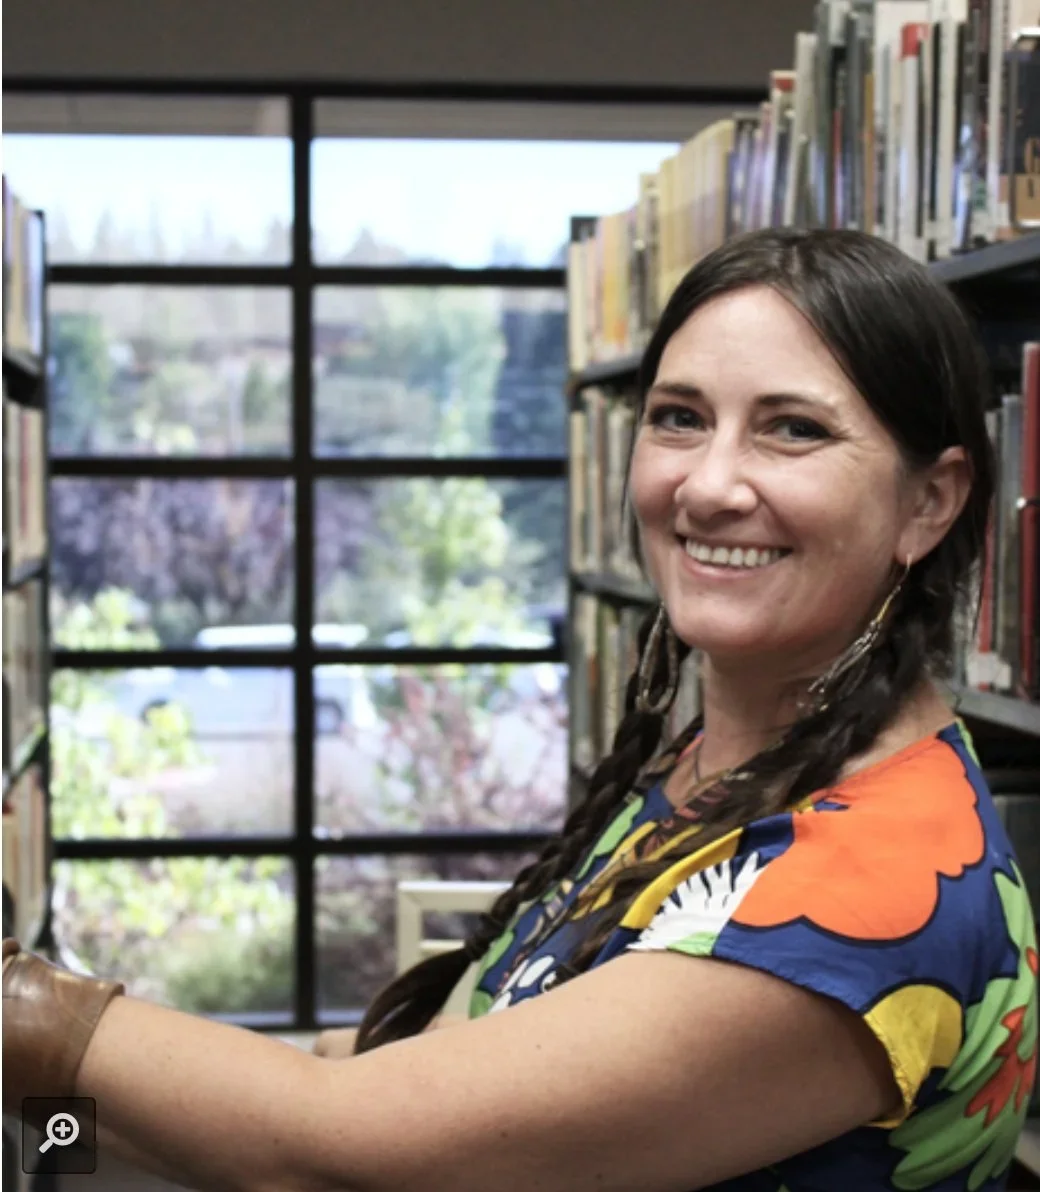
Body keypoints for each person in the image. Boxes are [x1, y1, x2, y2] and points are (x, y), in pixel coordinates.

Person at [4, 227, 1036, 1192]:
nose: (709, 484)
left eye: (792, 430)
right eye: (678, 418)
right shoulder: (722, 778)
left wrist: (27, 1022)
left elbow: (329, 1157)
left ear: (927, 502)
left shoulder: (861, 895)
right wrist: (51, 1118)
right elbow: (443, 1061)